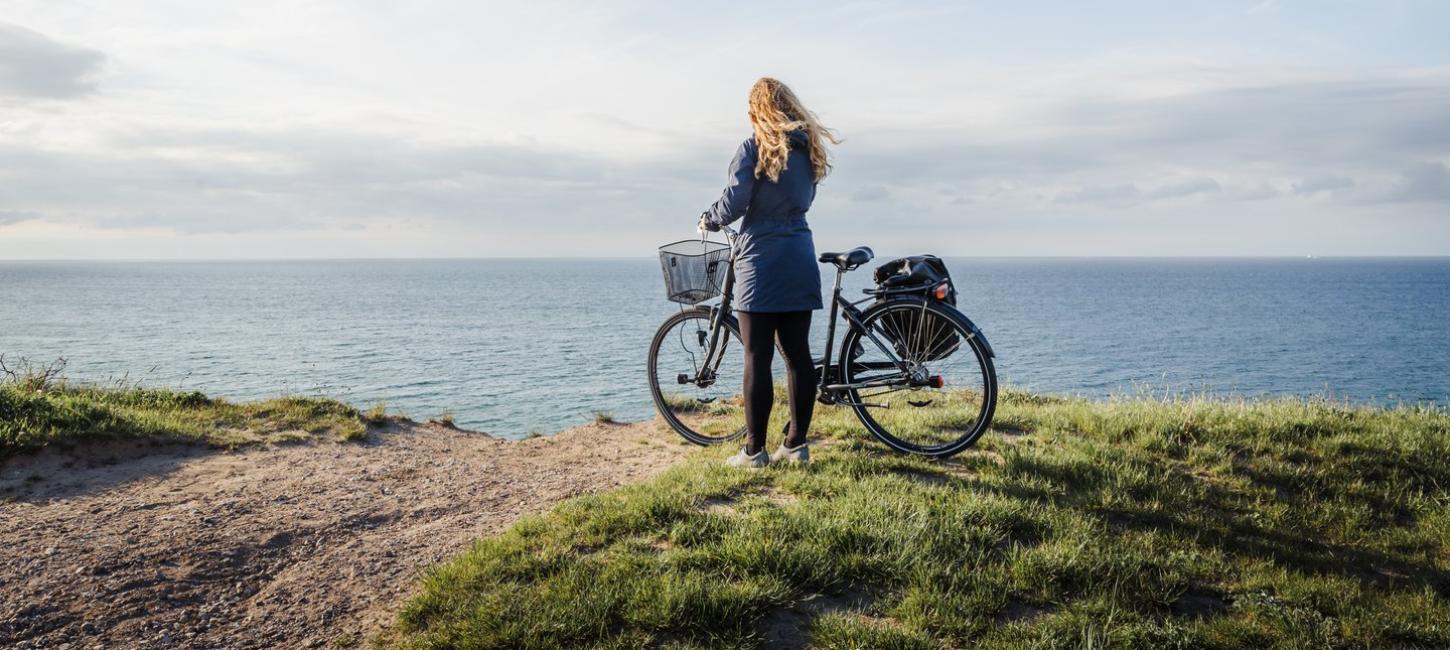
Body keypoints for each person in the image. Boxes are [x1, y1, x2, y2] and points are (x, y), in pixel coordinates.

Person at [698, 77, 839, 469]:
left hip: (760, 262)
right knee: (798, 356)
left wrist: (709, 219)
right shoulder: (809, 152)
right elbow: (803, 200)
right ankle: (795, 445)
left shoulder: (753, 148)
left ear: (757, 111)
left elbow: (736, 199)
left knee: (757, 356)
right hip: (799, 256)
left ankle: (754, 451)